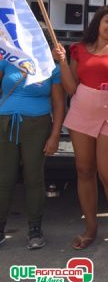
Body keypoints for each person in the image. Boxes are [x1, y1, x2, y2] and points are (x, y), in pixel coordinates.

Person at [54, 5, 108, 250]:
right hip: (82, 114)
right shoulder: (79, 49)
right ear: (98, 22)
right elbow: (71, 88)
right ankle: (90, 228)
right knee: (84, 171)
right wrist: (62, 62)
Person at [0, 51, 64, 249]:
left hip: (37, 126)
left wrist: (54, 136)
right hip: (5, 123)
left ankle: (35, 229)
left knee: (34, 178)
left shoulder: (51, 67)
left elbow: (59, 104)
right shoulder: (7, 61)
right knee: (4, 177)